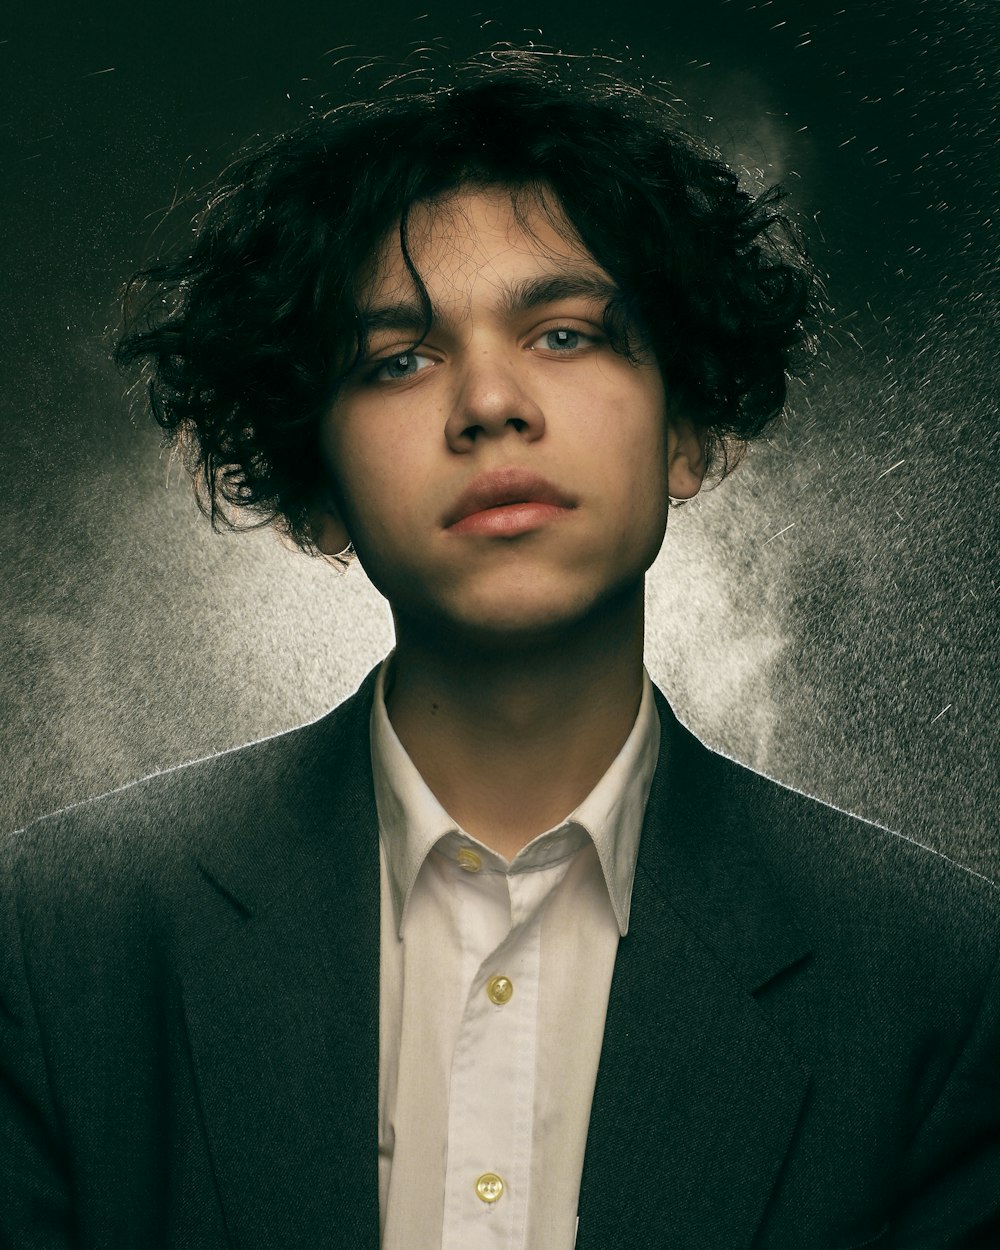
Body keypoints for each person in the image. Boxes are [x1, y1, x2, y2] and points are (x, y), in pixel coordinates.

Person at [1, 50, 998, 1250]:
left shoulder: (938, 979)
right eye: (397, 359)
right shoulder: (63, 934)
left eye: (566, 334)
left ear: (687, 432)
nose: (488, 399)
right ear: (315, 490)